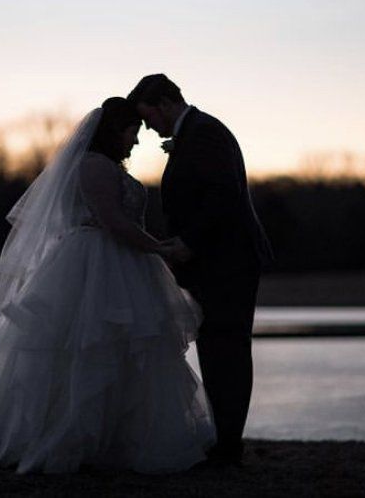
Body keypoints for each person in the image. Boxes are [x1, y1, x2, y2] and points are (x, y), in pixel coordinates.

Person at [0, 97, 215, 474]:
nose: (136, 141)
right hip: (94, 265)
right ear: (113, 131)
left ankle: (118, 441)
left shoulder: (108, 166)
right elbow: (112, 221)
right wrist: (160, 248)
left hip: (124, 263)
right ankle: (72, 440)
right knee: (87, 351)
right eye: (132, 132)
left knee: (128, 355)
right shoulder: (94, 166)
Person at [128, 75, 273, 467]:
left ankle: (229, 444)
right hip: (217, 261)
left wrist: (189, 242)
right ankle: (225, 440)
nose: (148, 128)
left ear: (166, 102)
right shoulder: (196, 133)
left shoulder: (205, 133)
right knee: (217, 347)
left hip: (228, 261)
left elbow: (223, 196)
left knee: (228, 348)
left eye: (148, 117)